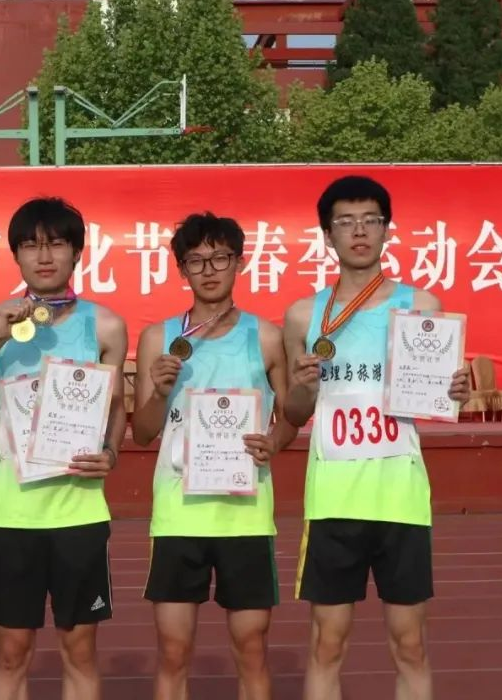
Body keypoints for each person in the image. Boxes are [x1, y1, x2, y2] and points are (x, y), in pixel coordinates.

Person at [281, 176, 471, 700]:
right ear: (327, 235)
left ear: (387, 230)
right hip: (333, 497)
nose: (359, 231)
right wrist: (302, 387)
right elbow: (294, 413)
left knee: (410, 644)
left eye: (370, 220)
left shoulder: (422, 306)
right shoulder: (303, 315)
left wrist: (455, 389)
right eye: (346, 222)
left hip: (400, 496)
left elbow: (441, 396)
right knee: (327, 644)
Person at [0, 197, 128, 700]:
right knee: (12, 653)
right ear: (16, 255)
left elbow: (117, 407)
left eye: (56, 244)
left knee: (80, 650)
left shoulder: (106, 325)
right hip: (14, 516)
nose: (44, 256)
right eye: (30, 245)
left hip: (79, 514)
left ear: (77, 252)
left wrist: (111, 453)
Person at [131, 212, 298, 700]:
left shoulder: (265, 337)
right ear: (181, 269)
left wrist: (275, 441)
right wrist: (158, 390)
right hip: (178, 515)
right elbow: (143, 432)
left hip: (245, 516)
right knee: (173, 651)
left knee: (251, 648)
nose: (208, 270)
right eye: (196, 260)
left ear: (239, 263)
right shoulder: (158, 339)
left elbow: (290, 416)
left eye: (220, 258)